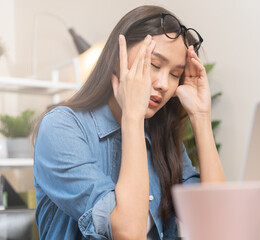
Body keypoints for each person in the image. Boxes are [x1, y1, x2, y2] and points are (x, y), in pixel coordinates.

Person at [33, 5, 226, 240]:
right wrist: (132, 117)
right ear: (117, 58)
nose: (164, 84)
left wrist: (201, 116)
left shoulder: (160, 136)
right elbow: (128, 232)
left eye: (176, 74)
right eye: (154, 64)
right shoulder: (61, 128)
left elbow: (218, 223)